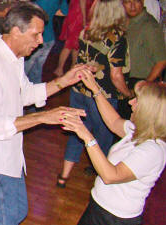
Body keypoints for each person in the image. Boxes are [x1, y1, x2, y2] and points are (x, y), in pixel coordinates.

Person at [0, 2, 92, 224]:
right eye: (36, 34)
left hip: (8, 154)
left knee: (16, 212)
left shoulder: (13, 58)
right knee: (5, 218)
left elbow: (26, 93)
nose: (41, 41)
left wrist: (62, 81)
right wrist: (42, 117)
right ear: (15, 32)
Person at [62, 71, 166, 225]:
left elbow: (110, 175)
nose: (131, 103)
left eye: (137, 100)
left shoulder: (153, 150)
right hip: (100, 208)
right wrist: (95, 89)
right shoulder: (138, 131)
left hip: (116, 219)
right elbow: (113, 121)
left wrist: (87, 136)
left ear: (150, 111)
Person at [57, 0, 133, 188]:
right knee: (104, 137)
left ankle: (63, 176)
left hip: (79, 90)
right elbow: (116, 76)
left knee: (77, 131)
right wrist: (129, 94)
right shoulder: (116, 38)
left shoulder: (86, 31)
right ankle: (102, 176)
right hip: (101, 95)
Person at [123, 0, 166, 87]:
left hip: (141, 80)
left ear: (142, 2)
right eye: (128, 2)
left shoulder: (149, 26)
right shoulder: (126, 21)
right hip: (126, 79)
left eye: (136, 1)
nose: (132, 6)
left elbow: (162, 61)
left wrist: (145, 85)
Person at [24, 0, 68, 85]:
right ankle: (35, 96)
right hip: (49, 38)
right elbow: (64, 12)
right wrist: (50, 11)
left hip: (35, 38)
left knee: (24, 69)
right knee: (37, 70)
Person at [53, 0, 94, 77]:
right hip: (78, 15)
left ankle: (72, 67)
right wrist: (84, 20)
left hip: (81, 13)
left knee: (76, 44)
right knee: (70, 43)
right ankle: (59, 68)